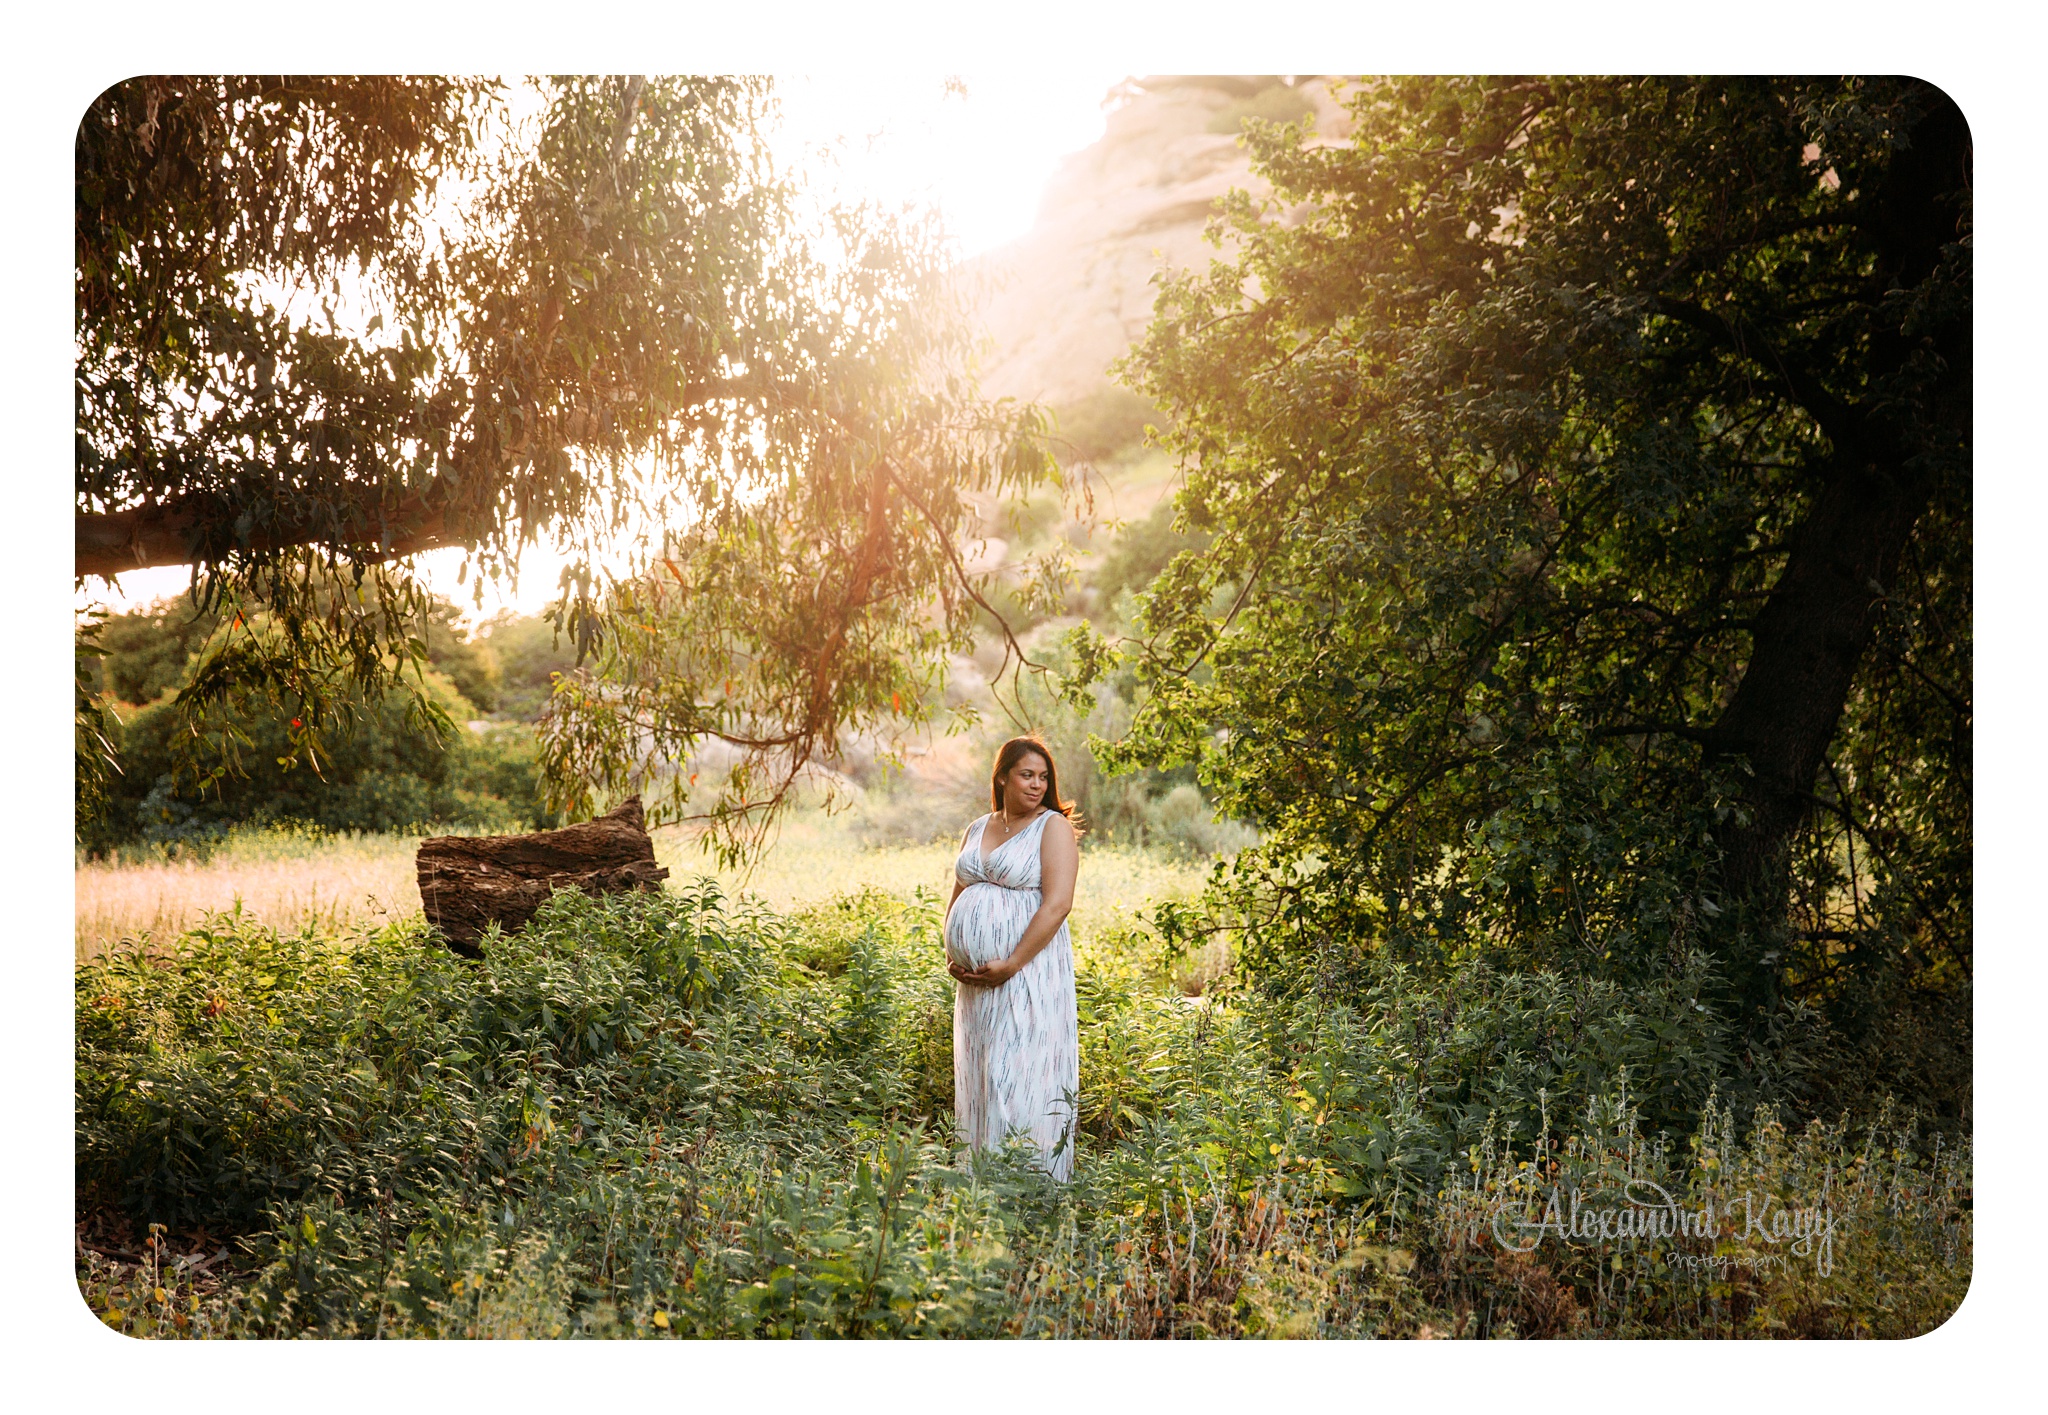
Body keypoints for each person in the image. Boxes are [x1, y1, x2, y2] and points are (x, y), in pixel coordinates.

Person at [942, 735, 1082, 1181]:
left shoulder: (1051, 826)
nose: (1037, 784)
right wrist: (953, 949)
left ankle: (1031, 1187)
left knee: (1019, 1074)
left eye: (1044, 777)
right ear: (1002, 776)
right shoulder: (978, 827)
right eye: (1027, 774)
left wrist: (1012, 962)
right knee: (983, 1074)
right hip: (976, 982)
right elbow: (960, 891)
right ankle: (981, 1186)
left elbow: (1058, 904)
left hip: (1026, 972)